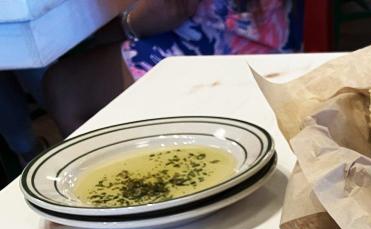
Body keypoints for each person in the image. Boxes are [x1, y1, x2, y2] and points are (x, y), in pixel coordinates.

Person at [43, 0, 297, 136]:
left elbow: (169, 10)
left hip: (232, 46)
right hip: (283, 30)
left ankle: (120, 199)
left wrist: (123, 28)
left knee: (63, 87)